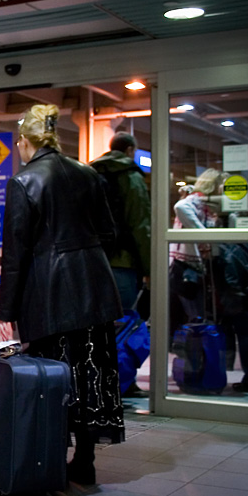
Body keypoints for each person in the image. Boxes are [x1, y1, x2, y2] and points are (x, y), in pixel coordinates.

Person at [0, 104, 125, 487]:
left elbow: (15, 253)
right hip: (95, 285)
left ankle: (49, 456)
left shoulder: (25, 181)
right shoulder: (88, 173)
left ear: (24, 142)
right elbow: (109, 231)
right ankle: (84, 460)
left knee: (55, 374)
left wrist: (7, 309)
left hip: (50, 290)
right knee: (92, 371)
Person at [90, 131, 152, 398]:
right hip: (122, 263)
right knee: (124, 323)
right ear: (129, 150)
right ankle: (122, 382)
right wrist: (149, 268)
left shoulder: (89, 174)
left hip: (92, 263)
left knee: (95, 324)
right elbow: (141, 225)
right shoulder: (132, 177)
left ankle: (95, 379)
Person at [168, 168, 227, 338]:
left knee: (199, 317)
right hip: (187, 268)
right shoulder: (193, 203)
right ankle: (192, 358)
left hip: (200, 269)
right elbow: (180, 207)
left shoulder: (211, 208)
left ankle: (195, 358)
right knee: (194, 317)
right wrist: (203, 235)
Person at [215, 242, 248, 392]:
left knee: (241, 337)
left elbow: (230, 272)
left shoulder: (229, 247)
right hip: (244, 293)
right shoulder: (245, 245)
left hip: (235, 296)